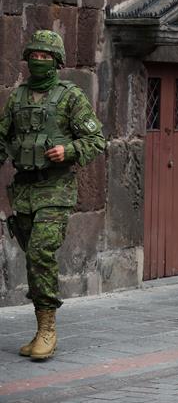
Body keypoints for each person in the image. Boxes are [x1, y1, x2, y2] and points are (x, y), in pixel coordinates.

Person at [0, 30, 107, 360]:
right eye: (35, 55)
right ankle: (40, 326)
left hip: (56, 190)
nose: (39, 60)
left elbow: (97, 140)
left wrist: (69, 149)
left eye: (46, 56)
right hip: (25, 190)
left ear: (57, 62)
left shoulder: (70, 97)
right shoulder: (17, 99)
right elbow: (2, 138)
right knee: (33, 258)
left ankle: (48, 329)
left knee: (41, 251)